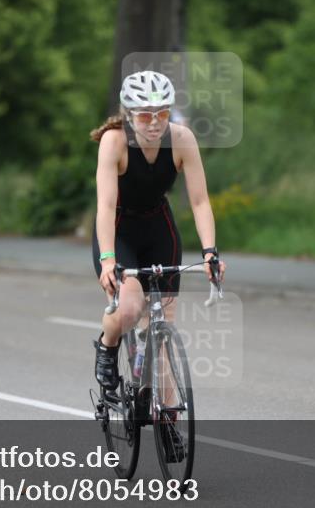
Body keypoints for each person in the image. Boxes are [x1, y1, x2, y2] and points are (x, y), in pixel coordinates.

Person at [90, 70, 226, 395]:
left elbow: (199, 201)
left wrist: (210, 252)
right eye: (145, 115)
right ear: (128, 114)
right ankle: (108, 347)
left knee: (162, 330)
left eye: (162, 113)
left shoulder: (182, 140)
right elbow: (106, 206)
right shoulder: (114, 141)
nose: (154, 122)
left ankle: (169, 427)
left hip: (158, 228)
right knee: (129, 308)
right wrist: (108, 260)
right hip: (119, 230)